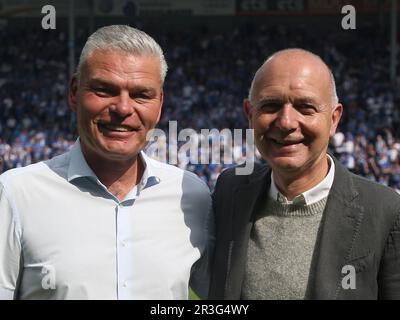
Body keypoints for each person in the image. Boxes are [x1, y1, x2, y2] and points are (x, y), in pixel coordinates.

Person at [0, 25, 213, 300]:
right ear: (74, 92)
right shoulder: (17, 194)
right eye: (104, 90)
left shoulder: (192, 196)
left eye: (141, 95)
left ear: (159, 104)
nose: (123, 108)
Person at [209, 48, 400, 300]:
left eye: (305, 107)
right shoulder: (230, 190)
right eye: (271, 105)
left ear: (334, 119)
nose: (286, 122)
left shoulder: (384, 210)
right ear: (250, 115)